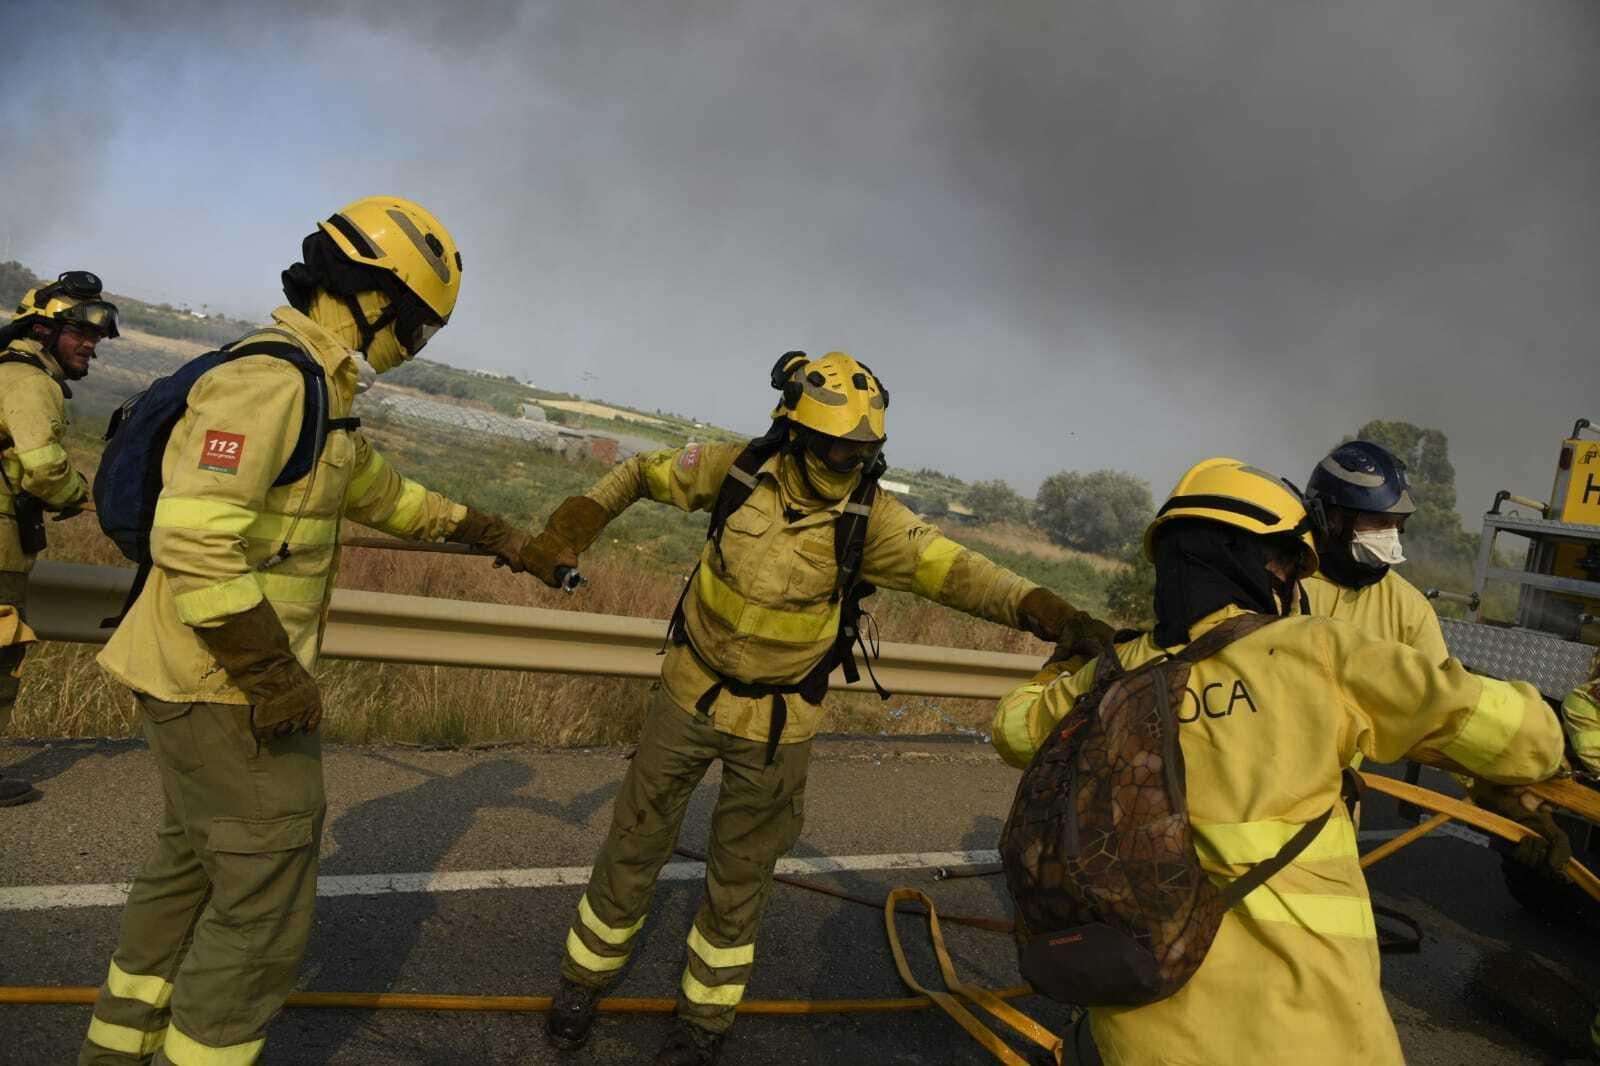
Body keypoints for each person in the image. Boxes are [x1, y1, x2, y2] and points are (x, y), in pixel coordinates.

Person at [80, 197, 561, 1066]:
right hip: (221, 686)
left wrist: (493, 534)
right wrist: (272, 673)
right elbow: (192, 536)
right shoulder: (272, 382)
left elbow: (381, 493)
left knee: (189, 867)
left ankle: (117, 1047)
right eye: (413, 328)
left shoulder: (320, 392)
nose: (411, 348)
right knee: (264, 903)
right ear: (373, 301)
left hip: (197, 680)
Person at [529, 351, 1113, 1065]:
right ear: (798, 431)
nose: (847, 461)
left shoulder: (875, 522)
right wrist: (570, 527)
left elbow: (960, 572)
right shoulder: (736, 471)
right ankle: (581, 986)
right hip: (687, 694)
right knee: (632, 846)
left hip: (778, 728)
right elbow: (640, 474)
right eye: (837, 447)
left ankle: (702, 1025)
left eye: (862, 451)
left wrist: (1051, 613)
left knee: (739, 881)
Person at [990, 457, 1565, 1066]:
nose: (1294, 579)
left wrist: (1066, 666)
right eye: (1290, 561)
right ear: (1261, 560)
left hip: (1148, 1031)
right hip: (1316, 1032)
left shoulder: (1112, 672)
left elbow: (1012, 730)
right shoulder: (1315, 650)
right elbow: (1525, 737)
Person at [0, 272, 119, 806]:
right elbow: (43, 469)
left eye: (94, 337)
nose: (89, 345)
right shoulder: (29, 382)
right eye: (79, 334)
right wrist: (73, 494)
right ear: (45, 332)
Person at [1302, 440, 1448, 664]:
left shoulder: (1410, 610)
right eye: (1378, 521)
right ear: (1331, 519)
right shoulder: (1286, 583)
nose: (1390, 534)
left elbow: (1439, 692)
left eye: (1396, 522)